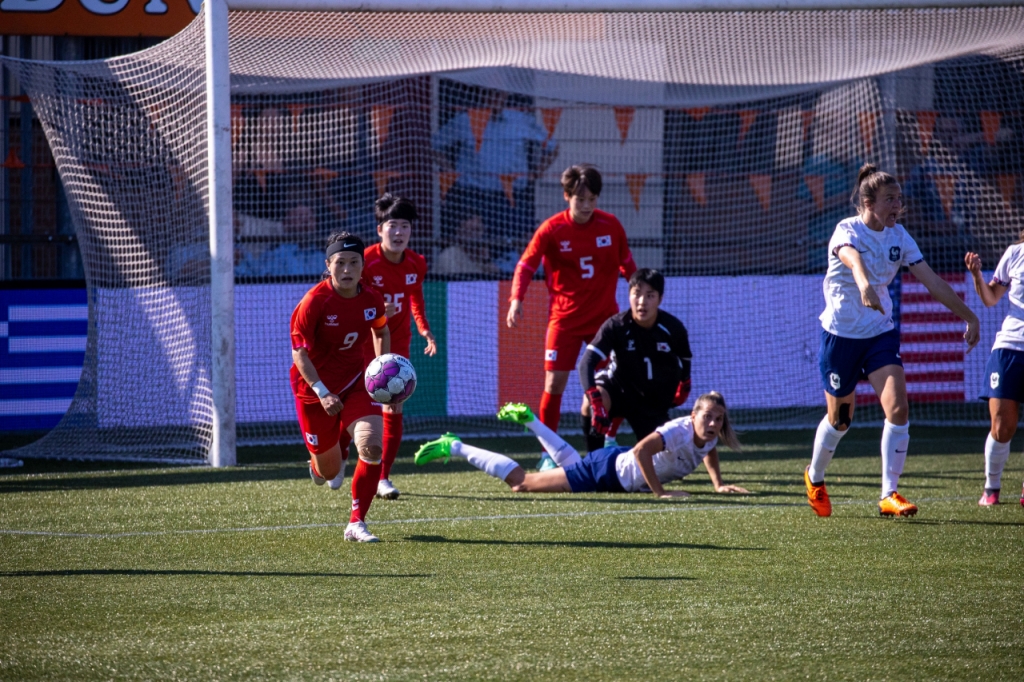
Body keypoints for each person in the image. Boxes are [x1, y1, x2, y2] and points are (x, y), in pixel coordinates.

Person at [804, 164, 980, 519]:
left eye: (899, 199)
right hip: (841, 336)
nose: (897, 205)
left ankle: (889, 494)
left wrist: (970, 315)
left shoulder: (900, 236)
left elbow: (933, 282)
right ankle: (815, 478)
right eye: (889, 199)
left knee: (898, 409)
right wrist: (865, 283)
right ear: (868, 202)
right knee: (840, 420)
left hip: (880, 333)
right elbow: (851, 258)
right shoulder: (846, 229)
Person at [507, 164, 636, 468]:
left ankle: (608, 439)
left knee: (612, 384)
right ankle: (547, 454)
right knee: (554, 385)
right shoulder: (552, 229)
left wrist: (637, 301)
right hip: (563, 321)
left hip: (604, 321)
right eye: (581, 200)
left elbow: (628, 267)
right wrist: (516, 299)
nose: (587, 206)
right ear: (567, 196)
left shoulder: (611, 225)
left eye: (592, 199)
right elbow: (526, 265)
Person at [414, 393, 749, 498]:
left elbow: (708, 450)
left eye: (718, 419)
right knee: (523, 484)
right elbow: (641, 451)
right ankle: (455, 446)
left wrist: (717, 484)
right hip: (609, 472)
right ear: (693, 415)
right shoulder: (678, 430)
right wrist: (661, 492)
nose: (712, 425)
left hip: (610, 464)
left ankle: (531, 420)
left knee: (571, 463)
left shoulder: (706, 435)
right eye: (707, 417)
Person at [290, 231, 391, 542]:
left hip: (356, 382)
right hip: (314, 391)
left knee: (373, 447)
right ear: (328, 265)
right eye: (340, 263)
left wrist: (383, 369)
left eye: (354, 263)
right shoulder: (314, 302)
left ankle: (356, 522)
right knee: (329, 473)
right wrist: (321, 391)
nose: (347, 269)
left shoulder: (372, 298)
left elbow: (381, 330)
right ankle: (322, 462)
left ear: (363, 266)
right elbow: (299, 352)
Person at [360, 194, 438, 501]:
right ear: (380, 229)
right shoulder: (365, 260)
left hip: (397, 344)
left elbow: (415, 297)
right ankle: (335, 456)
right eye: (392, 224)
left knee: (393, 405)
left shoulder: (417, 262)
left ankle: (383, 476)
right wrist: (377, 311)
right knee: (354, 405)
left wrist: (425, 330)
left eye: (405, 225)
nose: (399, 232)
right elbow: (352, 298)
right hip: (365, 341)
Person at [577, 268, 692, 452]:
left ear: (660, 299)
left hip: (650, 401)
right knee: (589, 404)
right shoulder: (616, 325)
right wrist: (595, 401)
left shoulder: (674, 328)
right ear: (629, 295)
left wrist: (685, 383)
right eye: (636, 294)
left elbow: (685, 358)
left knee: (670, 460)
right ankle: (594, 462)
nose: (642, 302)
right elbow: (586, 363)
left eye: (649, 295)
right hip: (617, 389)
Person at [432, 88, 559, 251]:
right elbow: (434, 146)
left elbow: (552, 147)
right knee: (475, 244)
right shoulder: (465, 121)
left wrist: (536, 173)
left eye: (498, 94)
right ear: (481, 95)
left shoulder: (521, 120)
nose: (494, 99)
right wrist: (452, 172)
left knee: (518, 242)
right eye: (489, 94)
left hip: (514, 197)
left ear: (505, 95)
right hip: (474, 197)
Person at [965, 237, 1024, 507]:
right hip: (1009, 347)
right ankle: (992, 486)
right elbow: (990, 298)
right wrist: (977, 274)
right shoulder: (1014, 253)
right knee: (1002, 426)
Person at [434, 212, 499, 276]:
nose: (474, 235)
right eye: (471, 230)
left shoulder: (482, 257)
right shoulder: (449, 256)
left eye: (478, 230)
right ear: (459, 231)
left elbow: (498, 280)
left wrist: (486, 260)